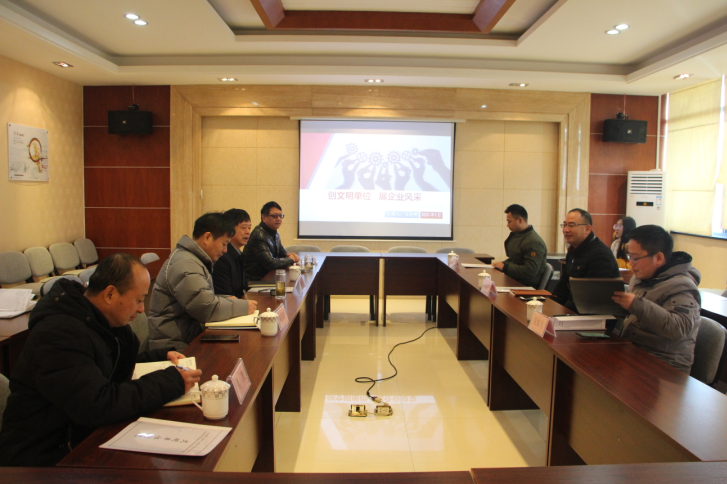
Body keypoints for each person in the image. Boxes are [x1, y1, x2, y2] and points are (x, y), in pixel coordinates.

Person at [0, 253, 202, 467]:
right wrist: (170, 382)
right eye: (139, 300)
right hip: (44, 459)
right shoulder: (58, 334)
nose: (142, 309)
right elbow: (96, 404)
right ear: (110, 294)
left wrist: (158, 356)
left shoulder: (99, 321)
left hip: (81, 438)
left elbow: (101, 365)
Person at [148, 213, 257, 351]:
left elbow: (205, 299)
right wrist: (243, 306)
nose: (225, 250)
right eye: (224, 244)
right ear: (207, 237)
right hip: (174, 346)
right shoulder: (185, 264)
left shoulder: (193, 260)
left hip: (188, 336)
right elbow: (206, 308)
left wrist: (231, 301)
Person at [612, 225, 701, 373]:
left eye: (635, 258)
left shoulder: (682, 286)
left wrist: (636, 305)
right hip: (635, 352)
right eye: (630, 257)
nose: (631, 263)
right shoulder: (641, 276)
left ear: (658, 258)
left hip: (665, 366)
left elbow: (679, 328)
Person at [552, 208, 620, 311]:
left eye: (571, 225)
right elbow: (563, 287)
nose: (566, 230)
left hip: (595, 316)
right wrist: (551, 306)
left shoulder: (600, 255)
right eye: (564, 225)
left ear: (587, 229)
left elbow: (591, 298)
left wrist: (563, 311)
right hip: (575, 310)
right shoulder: (573, 250)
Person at [492, 204, 548, 288]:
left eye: (509, 221)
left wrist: (505, 267)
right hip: (513, 281)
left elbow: (530, 271)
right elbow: (514, 259)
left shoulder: (534, 241)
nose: (507, 225)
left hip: (525, 287)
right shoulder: (519, 236)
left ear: (520, 220)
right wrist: (502, 264)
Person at [243, 201, 300, 284]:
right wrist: (291, 259)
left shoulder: (275, 233)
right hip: (256, 282)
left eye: (281, 216)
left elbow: (283, 253)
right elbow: (271, 264)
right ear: (263, 217)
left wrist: (291, 256)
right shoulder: (259, 235)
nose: (279, 219)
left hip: (269, 277)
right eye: (274, 216)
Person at [213, 208, 251, 298]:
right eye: (244, 227)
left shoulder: (238, 254)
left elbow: (241, 290)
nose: (248, 232)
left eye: (249, 228)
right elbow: (225, 295)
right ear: (230, 229)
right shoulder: (222, 256)